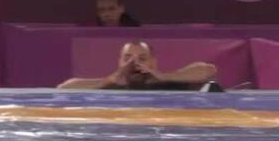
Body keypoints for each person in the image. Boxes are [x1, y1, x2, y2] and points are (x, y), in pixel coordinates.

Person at [58, 41, 219, 91]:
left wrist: (166, 76)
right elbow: (64, 88)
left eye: (142, 58)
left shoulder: (169, 82)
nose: (135, 63)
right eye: (128, 58)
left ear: (153, 62)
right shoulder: (111, 85)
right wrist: (107, 80)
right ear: (120, 62)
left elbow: (209, 70)